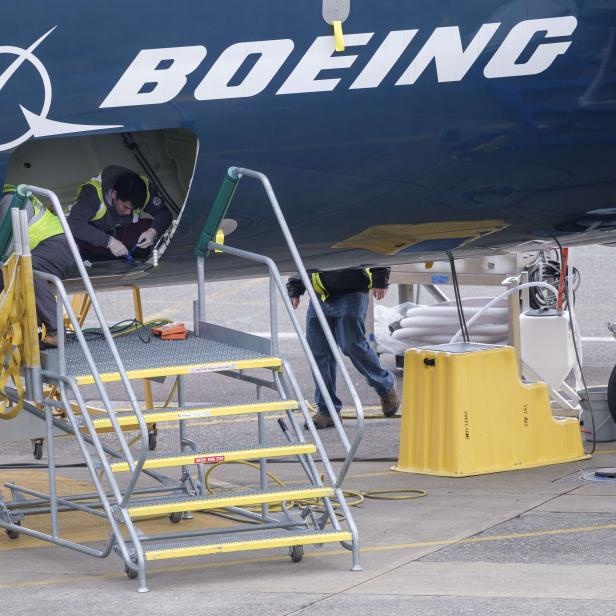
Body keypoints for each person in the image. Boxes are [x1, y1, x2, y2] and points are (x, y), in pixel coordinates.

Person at [287, 267, 400, 429]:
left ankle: (385, 384)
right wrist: (296, 285)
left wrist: (380, 277)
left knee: (351, 344)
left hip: (352, 289)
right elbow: (304, 251)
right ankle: (328, 410)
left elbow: (371, 243)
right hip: (320, 294)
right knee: (319, 351)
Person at [0, 185, 74, 348]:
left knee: (28, 269)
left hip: (59, 247)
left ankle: (56, 332)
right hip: (47, 248)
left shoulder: (11, 201)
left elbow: (4, 249)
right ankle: (28, 331)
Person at [67, 166, 172, 260]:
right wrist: (109, 242)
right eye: (125, 207)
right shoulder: (93, 192)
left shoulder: (144, 190)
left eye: (133, 209)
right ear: (114, 194)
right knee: (68, 241)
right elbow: (75, 224)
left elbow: (165, 214)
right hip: (89, 237)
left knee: (149, 225)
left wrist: (153, 231)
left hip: (118, 232)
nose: (128, 213)